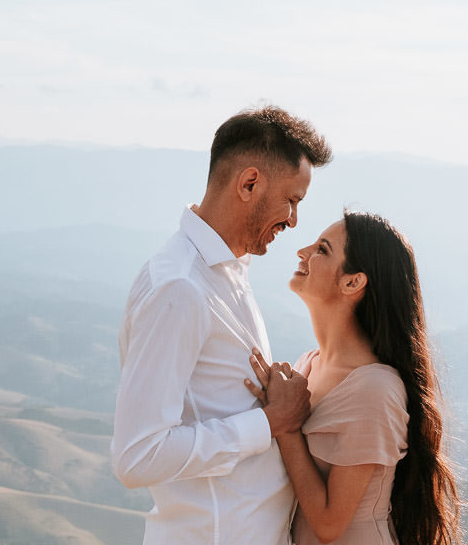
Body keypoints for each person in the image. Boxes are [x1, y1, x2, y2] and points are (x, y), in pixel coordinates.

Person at [111, 105, 332, 545]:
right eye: (292, 200)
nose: (293, 220)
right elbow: (137, 457)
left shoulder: (224, 271)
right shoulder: (180, 288)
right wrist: (269, 423)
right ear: (249, 183)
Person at [244, 211, 463, 545]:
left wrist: (285, 426)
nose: (302, 251)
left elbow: (331, 524)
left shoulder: (374, 389)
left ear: (352, 282)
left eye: (322, 249)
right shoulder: (309, 364)